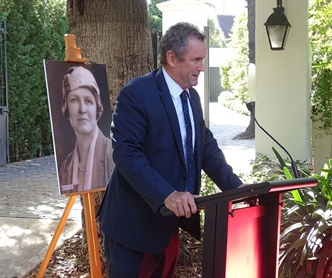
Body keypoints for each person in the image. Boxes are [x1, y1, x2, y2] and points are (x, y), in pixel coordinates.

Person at [98, 22, 243, 277]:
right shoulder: (136, 93)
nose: (202, 67)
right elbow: (126, 154)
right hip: (133, 228)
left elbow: (206, 147)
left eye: (203, 59)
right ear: (172, 58)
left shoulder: (192, 97)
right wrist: (169, 194)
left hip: (168, 227)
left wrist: (238, 189)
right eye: (196, 59)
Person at [59, 65, 114, 194]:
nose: (82, 109)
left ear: (97, 108)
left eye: (88, 101)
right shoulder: (66, 166)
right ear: (67, 107)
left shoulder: (112, 154)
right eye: (74, 100)